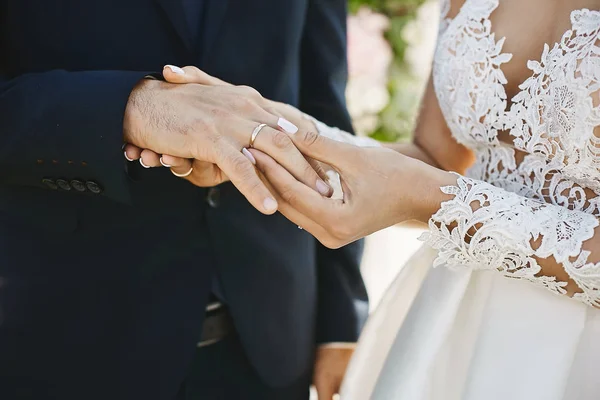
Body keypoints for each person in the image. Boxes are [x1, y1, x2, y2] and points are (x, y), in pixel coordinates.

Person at [145, 0, 600, 398]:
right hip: (455, 324)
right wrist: (278, 134)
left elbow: (430, 187)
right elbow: (436, 159)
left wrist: (437, 203)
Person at [0, 1, 368, 399]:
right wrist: (129, 110)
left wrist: (339, 321)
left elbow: (322, 106)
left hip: (269, 341)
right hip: (62, 334)